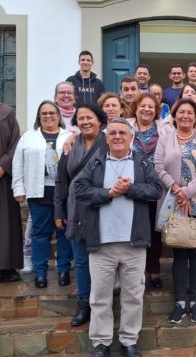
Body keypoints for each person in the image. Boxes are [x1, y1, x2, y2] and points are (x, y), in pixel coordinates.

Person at [74, 117, 162, 357]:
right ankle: (101, 343)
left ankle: (129, 341)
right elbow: (79, 190)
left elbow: (156, 189)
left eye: (123, 132)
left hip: (134, 242)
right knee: (100, 296)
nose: (117, 137)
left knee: (133, 295)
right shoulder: (96, 162)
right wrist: (108, 192)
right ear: (106, 137)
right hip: (101, 242)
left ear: (131, 137)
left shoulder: (142, 163)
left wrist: (130, 189)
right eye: (112, 133)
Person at [154, 99, 196, 324]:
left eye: (190, 112)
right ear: (174, 115)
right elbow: (158, 166)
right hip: (174, 200)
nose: (185, 116)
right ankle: (180, 301)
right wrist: (176, 189)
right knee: (179, 254)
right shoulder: (165, 139)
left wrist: (188, 192)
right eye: (181, 112)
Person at [54, 103, 108, 327]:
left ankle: (102, 304)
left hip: (103, 210)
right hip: (75, 211)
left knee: (103, 261)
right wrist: (59, 210)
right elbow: (60, 181)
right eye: (81, 118)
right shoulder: (71, 145)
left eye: (90, 117)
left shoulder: (109, 142)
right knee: (82, 262)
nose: (86, 121)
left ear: (99, 120)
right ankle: (83, 303)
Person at [12, 101, 72, 289]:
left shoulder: (69, 136)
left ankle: (63, 269)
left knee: (64, 233)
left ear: (58, 115)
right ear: (39, 117)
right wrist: (18, 188)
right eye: (44, 113)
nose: (48, 116)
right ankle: (41, 272)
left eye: (52, 113)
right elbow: (17, 163)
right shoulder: (29, 137)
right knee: (40, 234)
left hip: (64, 194)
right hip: (38, 193)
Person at [129, 92, 173, 288]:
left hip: (158, 186)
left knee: (155, 230)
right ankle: (136, 272)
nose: (146, 109)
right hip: (133, 186)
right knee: (135, 229)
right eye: (142, 106)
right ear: (136, 109)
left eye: (150, 107)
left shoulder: (164, 128)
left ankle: (154, 271)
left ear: (156, 111)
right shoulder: (126, 125)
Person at [0, 103, 23, 282]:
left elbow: (16, 142)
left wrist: (3, 166)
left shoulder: (6, 112)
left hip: (4, 178)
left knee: (6, 224)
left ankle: (6, 267)